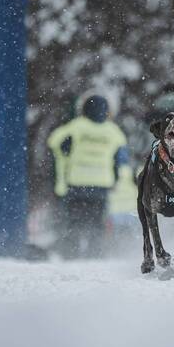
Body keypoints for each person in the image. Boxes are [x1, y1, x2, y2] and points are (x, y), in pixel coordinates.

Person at [47, 95, 128, 259]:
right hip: (102, 184)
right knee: (97, 223)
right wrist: (117, 180)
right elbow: (121, 159)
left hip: (77, 183)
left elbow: (55, 143)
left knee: (74, 222)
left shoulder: (76, 127)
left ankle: (72, 254)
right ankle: (95, 255)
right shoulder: (113, 132)